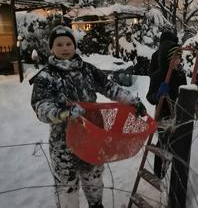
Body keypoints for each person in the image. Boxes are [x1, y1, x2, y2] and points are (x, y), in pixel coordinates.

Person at [30, 25, 146, 208]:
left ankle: (96, 205)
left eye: (68, 43)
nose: (65, 47)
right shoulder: (46, 76)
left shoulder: (88, 70)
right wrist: (62, 113)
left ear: (75, 46)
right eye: (59, 44)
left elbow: (110, 88)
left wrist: (132, 100)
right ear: (51, 48)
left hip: (92, 135)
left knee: (93, 176)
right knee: (66, 182)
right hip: (63, 139)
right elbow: (41, 105)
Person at [146, 40, 187, 178]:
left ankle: (172, 173)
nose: (178, 61)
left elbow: (183, 93)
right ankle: (159, 174)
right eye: (175, 57)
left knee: (177, 145)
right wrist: (158, 95)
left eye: (180, 57)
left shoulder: (180, 75)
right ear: (167, 58)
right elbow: (149, 98)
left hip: (177, 114)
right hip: (163, 115)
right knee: (164, 143)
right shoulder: (158, 75)